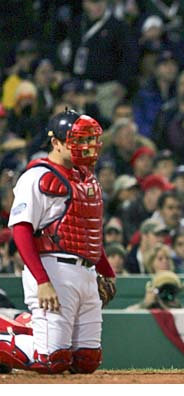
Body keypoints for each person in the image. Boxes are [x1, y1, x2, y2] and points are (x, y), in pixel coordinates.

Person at [0, 110, 116, 374]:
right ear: (56, 142)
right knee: (52, 360)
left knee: (86, 362)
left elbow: (89, 231)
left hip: (86, 271)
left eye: (89, 140)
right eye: (78, 140)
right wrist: (42, 281)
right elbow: (21, 230)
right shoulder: (37, 175)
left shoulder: (86, 178)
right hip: (53, 267)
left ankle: (28, 325)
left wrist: (106, 271)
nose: (86, 147)